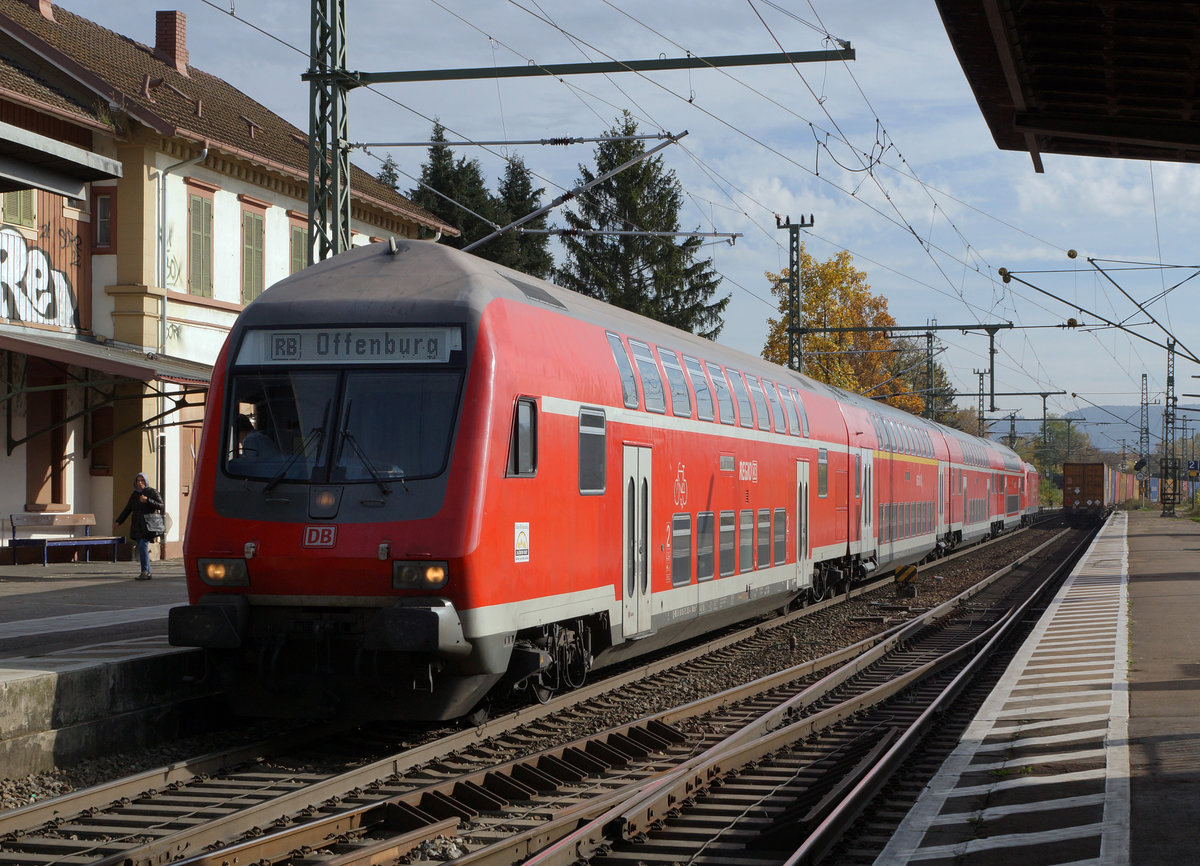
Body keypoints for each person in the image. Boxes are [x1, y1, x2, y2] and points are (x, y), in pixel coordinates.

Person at [114, 472, 164, 581]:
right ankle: (147, 572)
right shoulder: (135, 495)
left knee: (142, 545)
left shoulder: (152, 492)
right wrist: (118, 521)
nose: (140, 483)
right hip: (138, 525)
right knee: (141, 546)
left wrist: (147, 500)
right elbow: (128, 509)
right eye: (138, 481)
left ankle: (145, 571)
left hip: (149, 525)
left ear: (146, 481)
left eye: (142, 480)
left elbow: (161, 505)